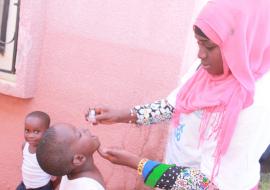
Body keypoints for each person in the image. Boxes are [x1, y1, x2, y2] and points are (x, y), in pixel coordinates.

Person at [86, 0, 270, 189]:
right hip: (174, 174)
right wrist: (122, 115)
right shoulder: (212, 69)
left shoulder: (253, 105)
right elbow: (173, 107)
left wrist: (139, 164)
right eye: (199, 43)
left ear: (242, 43)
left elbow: (209, 185)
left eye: (208, 46)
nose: (200, 54)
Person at [36, 123, 105, 190]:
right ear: (79, 159)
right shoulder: (91, 188)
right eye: (80, 135)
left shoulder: (70, 173)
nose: (85, 129)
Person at [16, 111, 58, 190]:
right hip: (25, 185)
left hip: (42, 187)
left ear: (47, 132)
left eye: (36, 132)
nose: (30, 136)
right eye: (27, 130)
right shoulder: (24, 146)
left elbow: (55, 172)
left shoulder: (47, 151)